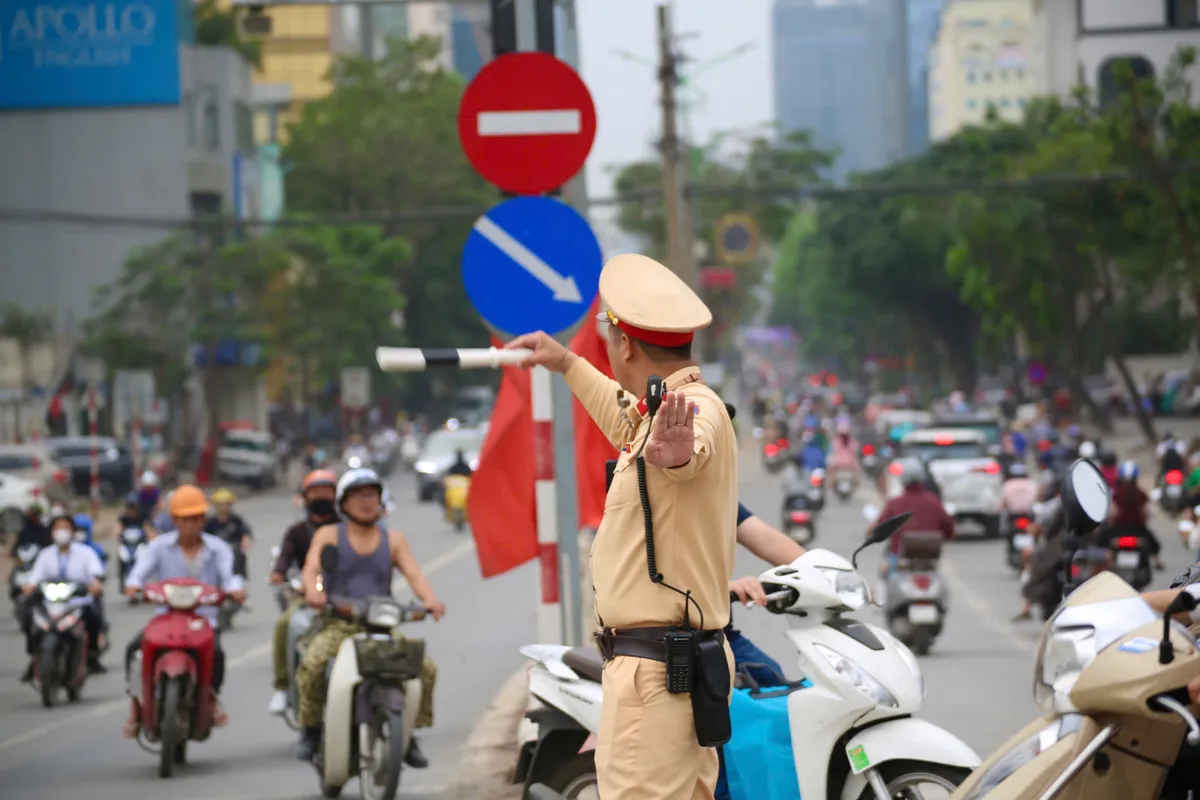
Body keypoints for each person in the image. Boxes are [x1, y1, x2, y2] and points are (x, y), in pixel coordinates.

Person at [506, 253, 737, 800]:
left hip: (656, 675)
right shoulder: (663, 412)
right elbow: (624, 417)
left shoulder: (690, 414)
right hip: (676, 667)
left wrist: (681, 457)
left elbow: (693, 446)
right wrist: (566, 362)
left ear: (625, 344)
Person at [294, 467, 444, 766]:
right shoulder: (329, 535)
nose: (366, 501)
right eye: (359, 495)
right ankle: (310, 731)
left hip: (382, 626)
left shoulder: (394, 540)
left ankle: (409, 735)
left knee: (426, 668)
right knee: (312, 664)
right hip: (339, 623)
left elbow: (414, 575)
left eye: (372, 495)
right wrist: (313, 591)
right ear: (344, 503)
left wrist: (430, 600)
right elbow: (311, 569)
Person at [121, 485, 245, 737]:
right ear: (174, 520)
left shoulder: (218, 548)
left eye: (196, 518)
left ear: (203, 519)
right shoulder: (158, 546)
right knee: (133, 650)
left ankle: (211, 698)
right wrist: (133, 586)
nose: (190, 525)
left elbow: (230, 576)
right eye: (184, 519)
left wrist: (235, 589)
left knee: (217, 653)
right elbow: (138, 573)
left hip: (204, 620)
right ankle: (136, 706)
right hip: (165, 618)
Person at [267, 468, 339, 715]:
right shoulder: (297, 531)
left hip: (342, 593)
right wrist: (279, 573)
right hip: (306, 594)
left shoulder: (345, 527)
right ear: (305, 497)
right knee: (285, 624)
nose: (321, 497)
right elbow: (285, 557)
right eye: (315, 492)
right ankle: (283, 686)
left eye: (326, 492)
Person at [19, 512, 107, 680]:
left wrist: (95, 584)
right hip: (50, 603)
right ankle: (34, 655)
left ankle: (92, 654)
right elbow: (35, 578)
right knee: (28, 614)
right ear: (52, 532)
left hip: (78, 602)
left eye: (65, 528)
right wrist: (29, 587)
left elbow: (96, 574)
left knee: (94, 615)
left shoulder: (85, 553)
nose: (61, 532)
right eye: (57, 528)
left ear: (73, 531)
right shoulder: (45, 554)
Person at [875, 459, 956, 576]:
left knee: (884, 575)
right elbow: (948, 526)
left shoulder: (895, 503)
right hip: (929, 559)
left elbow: (879, 526)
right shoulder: (933, 500)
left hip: (899, 558)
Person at [1099, 461, 1164, 568]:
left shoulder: (1116, 494)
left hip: (1118, 530)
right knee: (1152, 542)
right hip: (1138, 531)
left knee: (1101, 541)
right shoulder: (1141, 494)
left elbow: (1112, 513)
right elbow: (1146, 513)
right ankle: (1157, 560)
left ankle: (1106, 561)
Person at [205, 488, 253, 581]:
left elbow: (246, 533)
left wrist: (245, 540)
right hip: (215, 553)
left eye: (225, 504)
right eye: (220, 504)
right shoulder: (210, 522)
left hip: (234, 552)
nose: (223, 507)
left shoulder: (237, 521)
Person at [1000, 462, 1039, 533]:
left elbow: (1003, 501)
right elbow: (1037, 497)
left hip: (1014, 514)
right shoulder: (1031, 483)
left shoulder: (1008, 484)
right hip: (1028, 513)